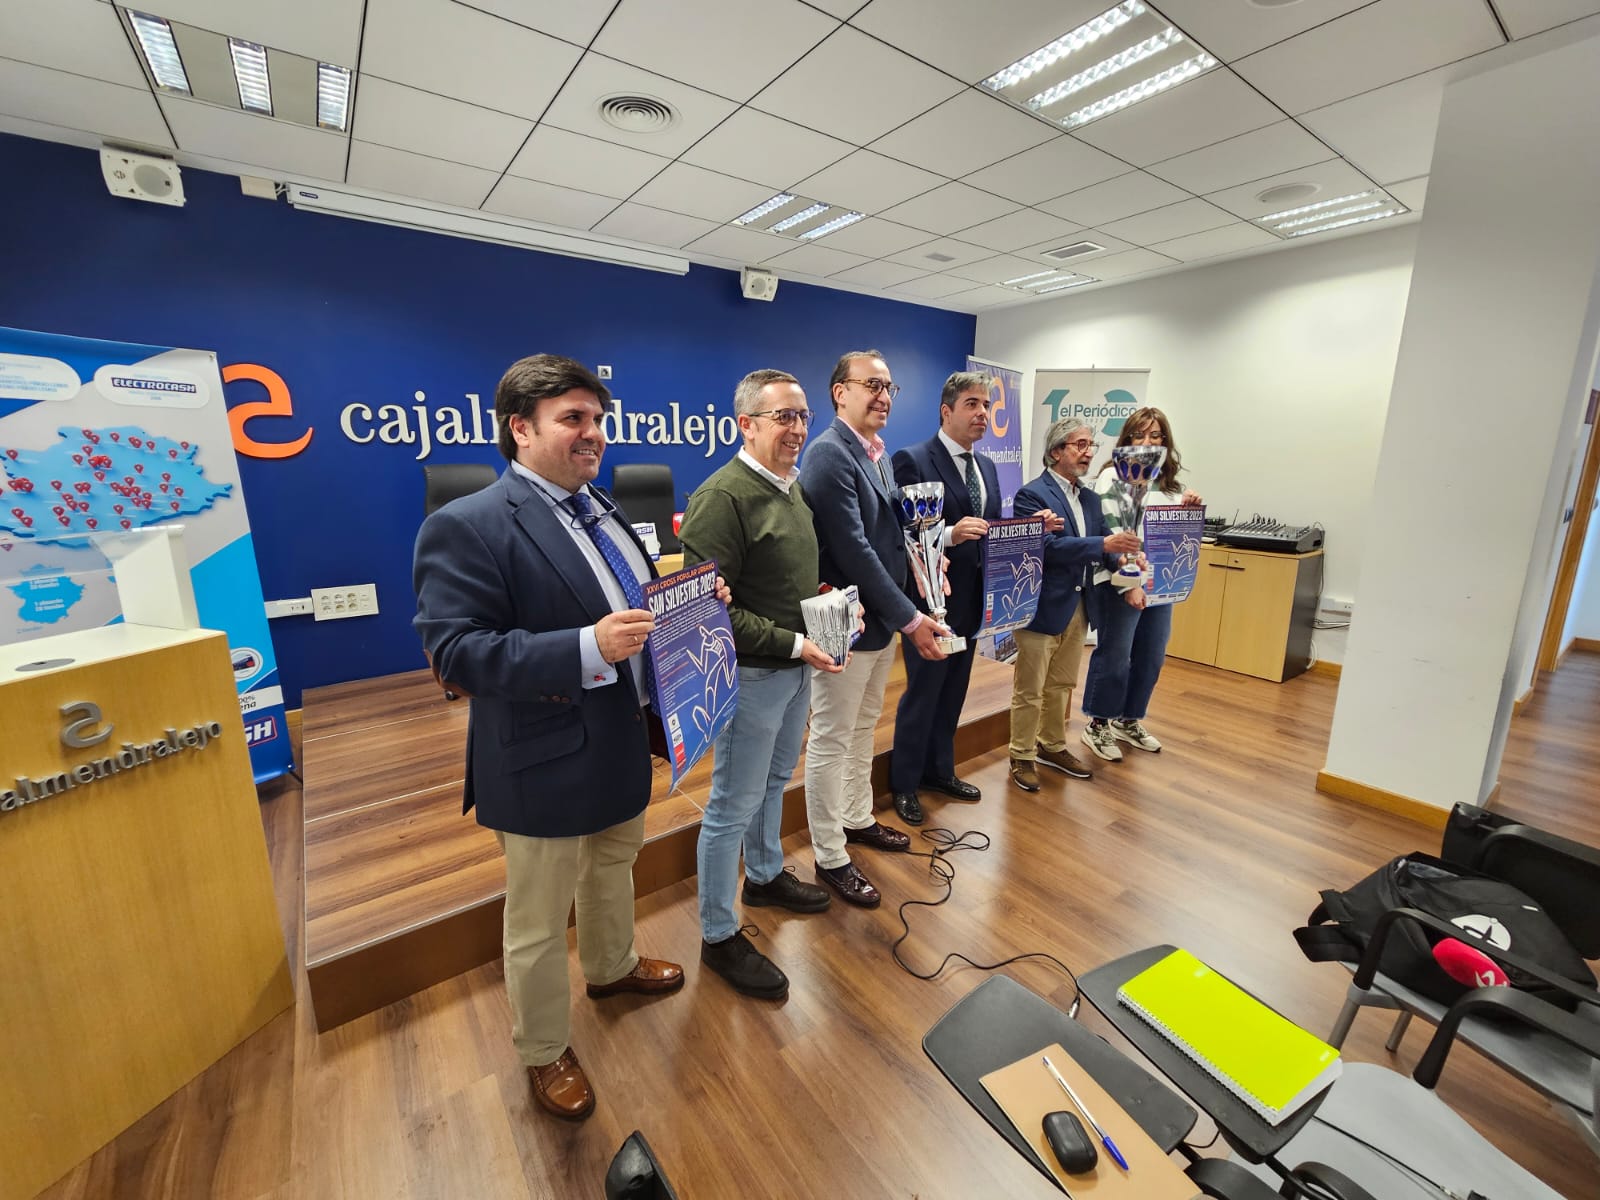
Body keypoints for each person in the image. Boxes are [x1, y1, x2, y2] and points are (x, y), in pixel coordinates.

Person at [413, 354, 715, 1122]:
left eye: (598, 418)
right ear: (520, 429)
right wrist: (586, 647)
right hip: (539, 756)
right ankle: (544, 1049)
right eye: (572, 418)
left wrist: (691, 602)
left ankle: (611, 968)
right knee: (540, 921)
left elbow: (634, 604)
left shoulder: (604, 508)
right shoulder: (467, 525)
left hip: (621, 739)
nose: (594, 433)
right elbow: (456, 655)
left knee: (613, 866)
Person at [677, 369, 842, 1000]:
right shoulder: (722, 497)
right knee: (730, 806)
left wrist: (825, 604)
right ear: (745, 425)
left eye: (802, 415)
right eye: (783, 417)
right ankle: (718, 935)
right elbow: (707, 613)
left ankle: (766, 876)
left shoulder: (790, 488)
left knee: (774, 783)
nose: (797, 428)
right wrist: (795, 643)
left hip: (796, 671)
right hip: (750, 677)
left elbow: (779, 583)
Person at [799, 349, 951, 908]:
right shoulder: (828, 454)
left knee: (863, 728)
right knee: (832, 738)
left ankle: (857, 817)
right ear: (840, 392)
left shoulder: (877, 453)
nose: (883, 396)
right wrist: (911, 619)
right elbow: (854, 551)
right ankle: (829, 854)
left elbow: (893, 539)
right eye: (872, 385)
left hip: (880, 622)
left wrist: (927, 570)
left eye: (889, 387)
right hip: (846, 623)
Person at [887, 371, 1003, 825]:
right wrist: (950, 534)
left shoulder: (986, 467)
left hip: (972, 602)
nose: (982, 414)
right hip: (929, 601)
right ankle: (904, 783)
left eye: (986, 405)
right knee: (924, 693)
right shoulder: (913, 459)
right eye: (972, 404)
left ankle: (939, 771)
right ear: (946, 411)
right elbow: (901, 532)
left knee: (954, 691)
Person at [1008, 416, 1142, 793]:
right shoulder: (1031, 496)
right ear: (1056, 452)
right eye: (1079, 445)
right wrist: (1104, 546)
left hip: (1081, 605)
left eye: (1090, 446)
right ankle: (1021, 754)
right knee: (1030, 688)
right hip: (1040, 606)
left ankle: (1051, 746)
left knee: (1062, 684)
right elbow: (1047, 549)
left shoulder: (1091, 498)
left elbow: (1107, 546)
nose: (1088, 453)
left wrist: (1126, 561)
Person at [1081, 406, 1203, 761]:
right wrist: (1129, 584)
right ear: (1127, 439)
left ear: (1165, 442)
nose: (1147, 442)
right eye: (1139, 435)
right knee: (1116, 656)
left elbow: (1174, 536)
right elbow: (1113, 530)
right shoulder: (1112, 477)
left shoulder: (1169, 486)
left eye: (1155, 435)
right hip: (1119, 581)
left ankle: (1128, 719)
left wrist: (1188, 507)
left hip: (1159, 584)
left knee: (1151, 655)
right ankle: (1098, 724)